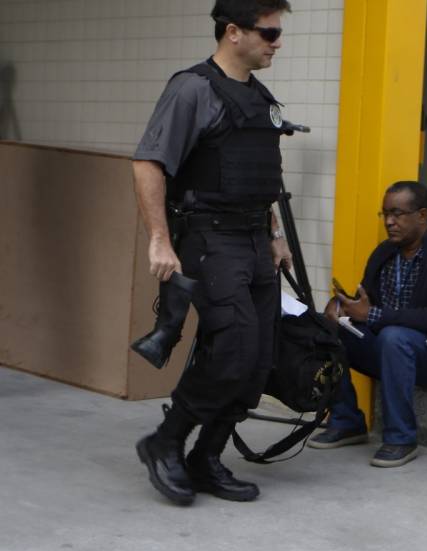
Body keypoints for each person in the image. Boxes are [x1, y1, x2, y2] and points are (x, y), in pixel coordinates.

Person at [131, 0, 293, 506]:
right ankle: (166, 442)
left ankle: (207, 457)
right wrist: (159, 238)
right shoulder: (193, 89)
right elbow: (148, 164)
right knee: (233, 348)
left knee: (258, 359)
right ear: (233, 32)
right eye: (269, 33)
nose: (276, 43)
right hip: (210, 238)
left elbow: (261, 176)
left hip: (254, 240)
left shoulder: (259, 97)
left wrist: (275, 234)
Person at [310, 181, 427, 467]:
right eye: (385, 214)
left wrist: (372, 316)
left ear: (422, 215)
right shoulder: (384, 253)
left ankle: (401, 438)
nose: (389, 221)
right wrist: (340, 306)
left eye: (397, 214)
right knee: (328, 328)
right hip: (390, 349)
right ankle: (347, 421)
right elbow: (366, 302)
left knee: (393, 336)